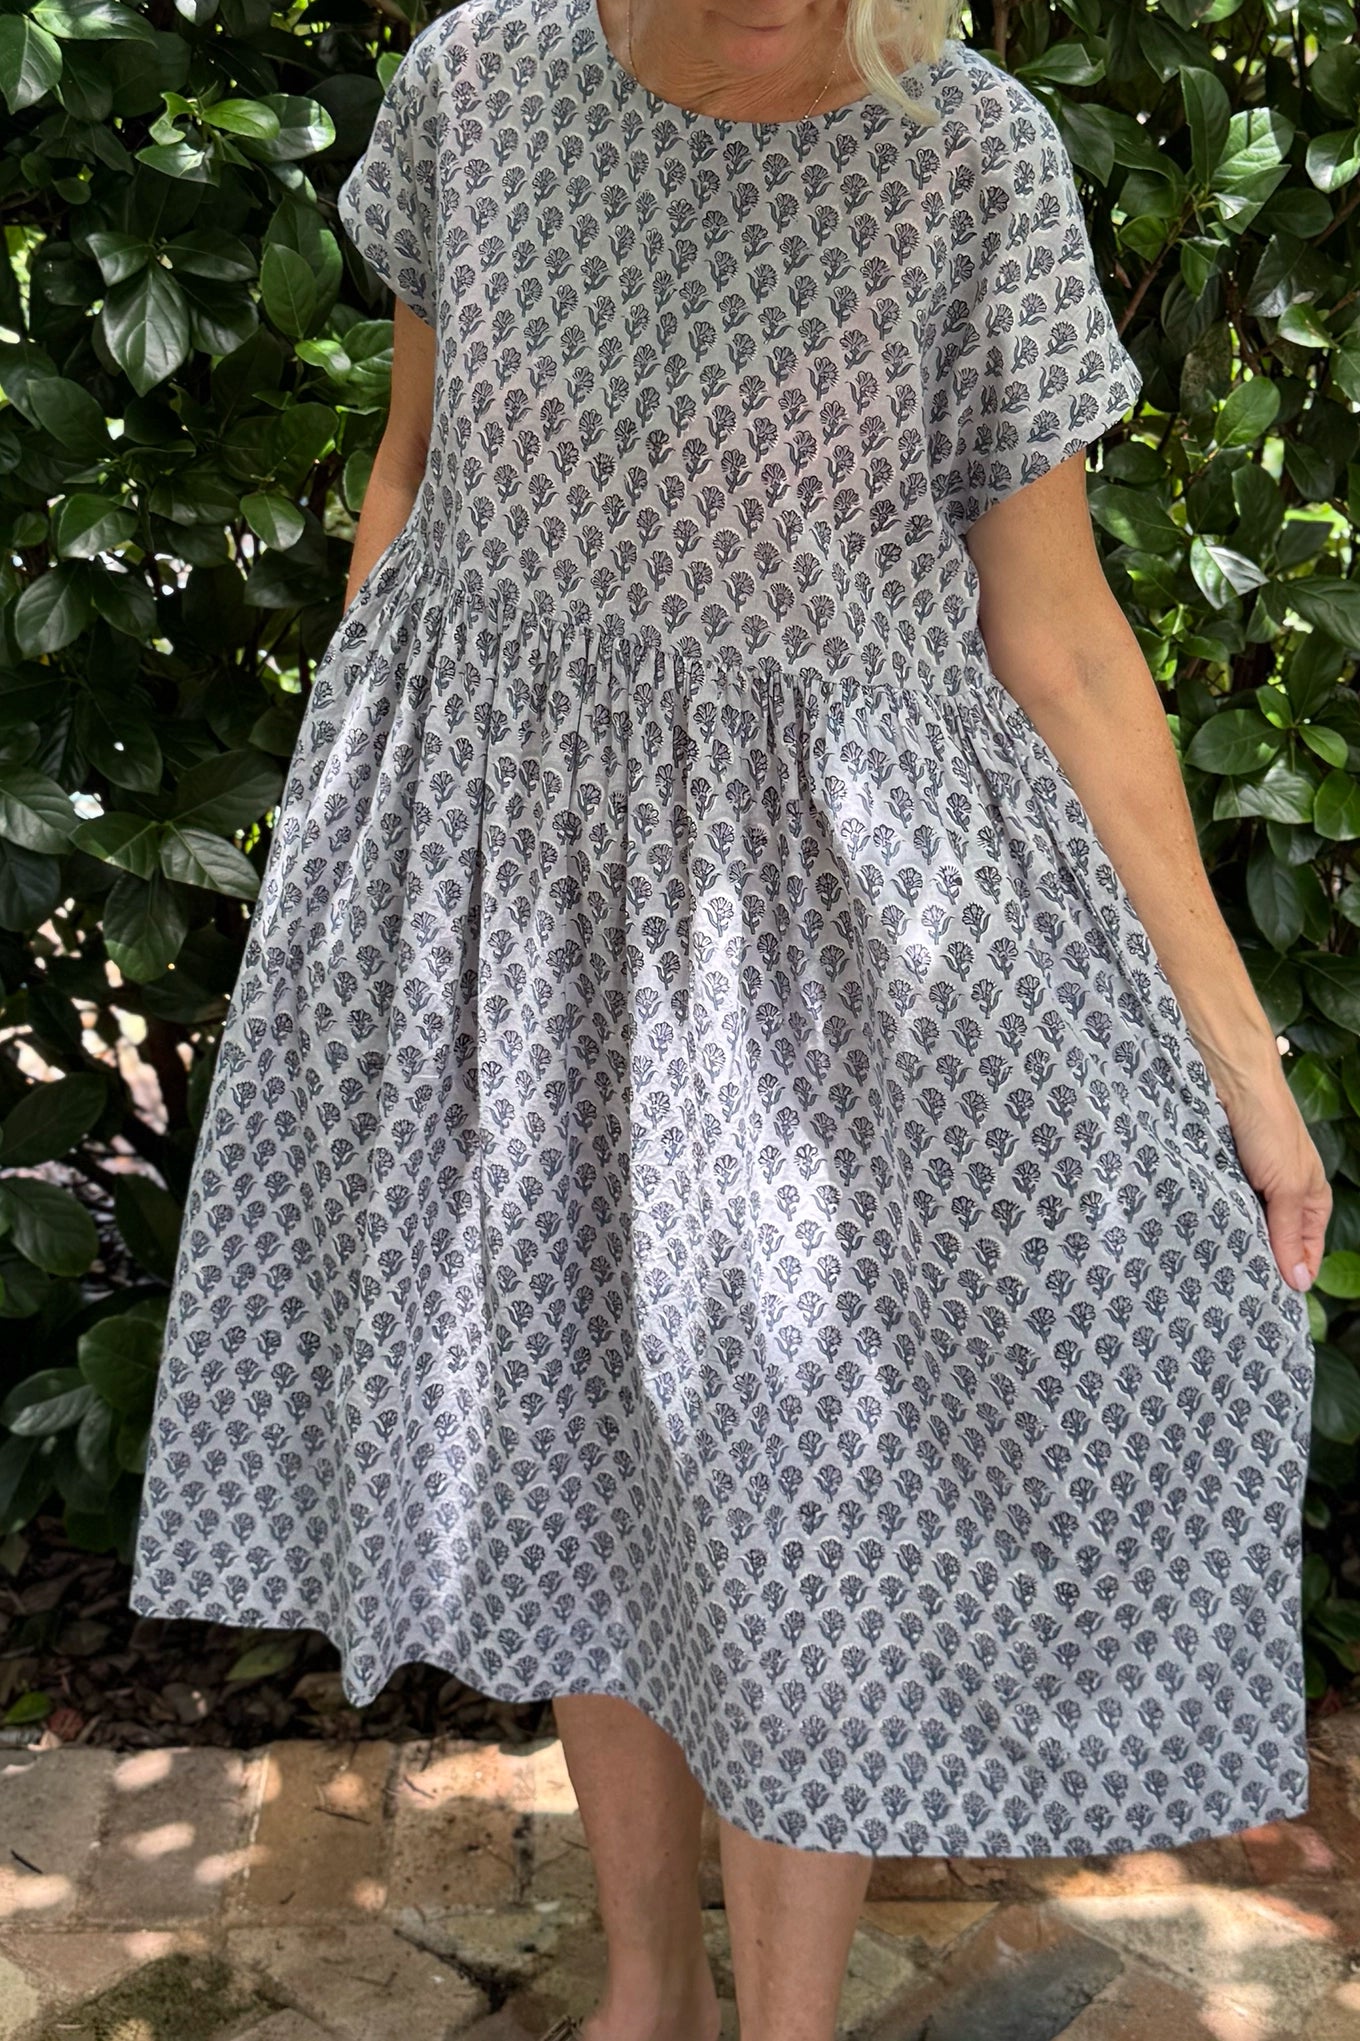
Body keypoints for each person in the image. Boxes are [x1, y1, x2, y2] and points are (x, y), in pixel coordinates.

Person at [129, 0, 1330, 2035]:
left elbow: (1054, 632)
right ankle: (646, 1993)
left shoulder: (965, 158)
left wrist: (1240, 1062)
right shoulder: (480, 86)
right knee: (586, 1444)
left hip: (818, 948)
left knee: (797, 1497)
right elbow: (411, 475)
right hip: (509, 910)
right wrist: (383, 836)